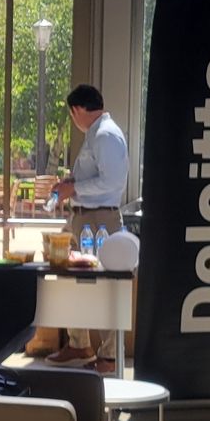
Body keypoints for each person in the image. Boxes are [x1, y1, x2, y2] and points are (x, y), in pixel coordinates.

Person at [48, 84, 130, 374]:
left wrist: (74, 188)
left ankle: (108, 355)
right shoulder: (96, 135)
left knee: (104, 284)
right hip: (86, 217)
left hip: (99, 220)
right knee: (74, 280)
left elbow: (111, 182)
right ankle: (78, 342)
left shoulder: (106, 135)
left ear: (78, 110)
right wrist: (71, 184)